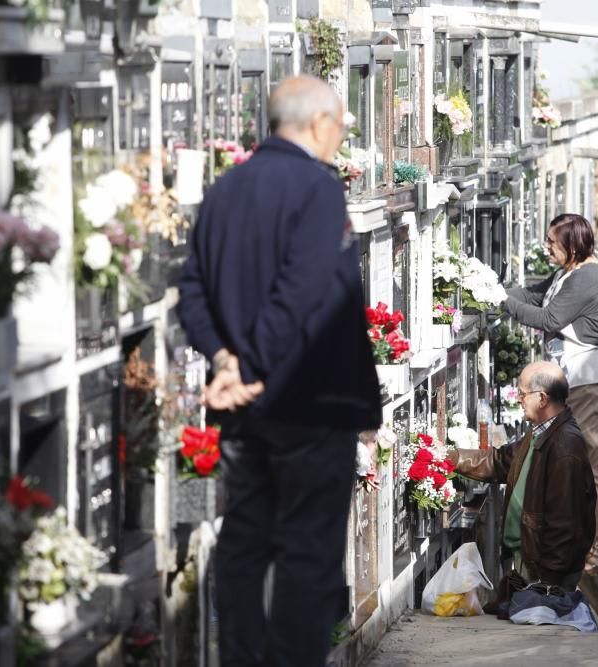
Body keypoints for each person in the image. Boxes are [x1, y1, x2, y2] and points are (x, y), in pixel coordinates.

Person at [176, 75, 382, 666]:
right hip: (307, 402)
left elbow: (192, 291)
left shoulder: (225, 189)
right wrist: (255, 366)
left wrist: (223, 360)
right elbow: (303, 289)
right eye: (341, 126)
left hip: (243, 409)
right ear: (319, 124)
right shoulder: (316, 188)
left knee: (244, 542)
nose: (341, 138)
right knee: (307, 554)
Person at [499, 213, 598, 577]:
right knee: (586, 468)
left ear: (572, 245)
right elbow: (531, 296)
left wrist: (501, 300)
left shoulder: (588, 276)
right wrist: (485, 293)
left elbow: (547, 319)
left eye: (552, 243)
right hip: (585, 379)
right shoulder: (567, 274)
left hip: (596, 379)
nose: (546, 248)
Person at [449, 361, 596, 609]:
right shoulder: (542, 432)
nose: (518, 399)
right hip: (528, 565)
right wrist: (448, 458)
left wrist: (547, 586)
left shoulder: (564, 448)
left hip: (543, 574)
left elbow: (565, 523)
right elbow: (500, 462)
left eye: (522, 393)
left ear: (542, 398)